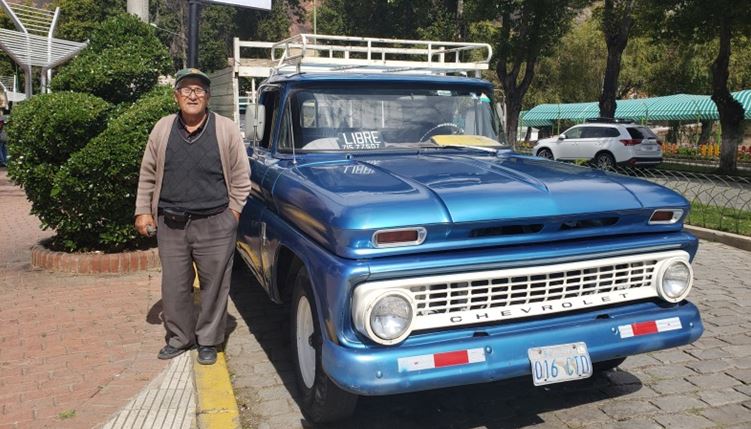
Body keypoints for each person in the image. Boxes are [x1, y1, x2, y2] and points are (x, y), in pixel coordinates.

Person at [134, 68, 251, 365]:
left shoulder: (224, 129)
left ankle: (209, 340)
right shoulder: (162, 128)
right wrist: (143, 211)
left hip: (215, 223)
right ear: (176, 96)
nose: (192, 95)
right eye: (186, 89)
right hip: (171, 224)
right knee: (174, 286)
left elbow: (240, 176)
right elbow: (147, 173)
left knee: (214, 286)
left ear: (208, 97)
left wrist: (233, 214)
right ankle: (179, 338)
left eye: (199, 90)